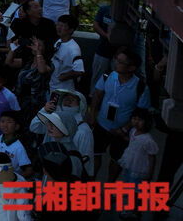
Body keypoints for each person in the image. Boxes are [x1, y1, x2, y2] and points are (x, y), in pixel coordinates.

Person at [91, 49, 151, 180]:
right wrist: (92, 115)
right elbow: (97, 95)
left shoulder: (140, 87)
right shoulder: (107, 76)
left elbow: (141, 113)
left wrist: (124, 129)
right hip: (102, 125)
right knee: (95, 154)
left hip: (122, 131)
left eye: (120, 62)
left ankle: (109, 186)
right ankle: (90, 183)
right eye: (116, 59)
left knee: (116, 160)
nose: (116, 63)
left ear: (131, 68)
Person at [30, 89, 94, 178]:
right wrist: (44, 110)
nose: (68, 102)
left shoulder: (84, 131)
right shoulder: (53, 118)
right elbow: (34, 127)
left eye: (72, 100)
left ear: (80, 105)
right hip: (48, 172)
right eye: (65, 99)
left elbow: (86, 158)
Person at [42, 14, 83, 93]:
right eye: (58, 24)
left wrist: (63, 77)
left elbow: (79, 71)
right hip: (52, 86)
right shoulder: (58, 42)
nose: (58, 28)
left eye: (63, 26)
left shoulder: (73, 49)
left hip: (65, 91)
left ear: (71, 30)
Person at [119, 108, 158, 183]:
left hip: (139, 168)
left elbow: (152, 157)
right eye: (134, 119)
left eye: (140, 120)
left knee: (136, 186)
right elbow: (133, 141)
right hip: (130, 164)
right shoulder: (133, 131)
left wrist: (150, 173)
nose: (136, 122)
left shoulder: (147, 140)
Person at [0, 110, 32, 178]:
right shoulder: (1, 137)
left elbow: (29, 170)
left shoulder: (18, 147)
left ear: (16, 126)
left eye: (9, 122)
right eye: (2, 121)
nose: (5, 125)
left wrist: (15, 179)